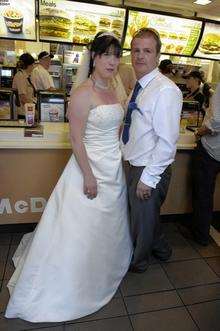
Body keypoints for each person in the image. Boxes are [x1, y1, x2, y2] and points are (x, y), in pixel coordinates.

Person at [5, 32, 132, 322]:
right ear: (95, 58)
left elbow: (116, 128)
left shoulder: (115, 89)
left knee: (108, 222)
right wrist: (88, 175)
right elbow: (76, 139)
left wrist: (117, 155)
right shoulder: (82, 93)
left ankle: (104, 266)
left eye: (116, 55)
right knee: (81, 225)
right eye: (106, 55)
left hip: (112, 165)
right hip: (89, 167)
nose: (112, 61)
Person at [121, 28, 183, 273]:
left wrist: (147, 179)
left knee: (142, 224)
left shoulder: (166, 90)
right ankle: (162, 250)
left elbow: (167, 142)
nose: (140, 56)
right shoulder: (140, 85)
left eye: (147, 51)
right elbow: (134, 127)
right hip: (134, 162)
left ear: (157, 56)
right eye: (136, 50)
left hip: (148, 167)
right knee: (144, 219)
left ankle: (139, 263)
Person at [191, 83, 220, 246]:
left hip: (212, 149)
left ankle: (201, 235)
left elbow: (216, 120)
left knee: (203, 192)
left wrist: (199, 132)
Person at [12, 53, 36, 119]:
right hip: (23, 113)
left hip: (27, 111)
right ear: (28, 65)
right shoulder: (20, 76)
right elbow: (23, 98)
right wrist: (34, 111)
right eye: (32, 64)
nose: (33, 67)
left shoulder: (26, 76)